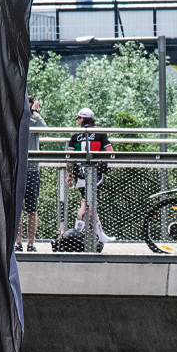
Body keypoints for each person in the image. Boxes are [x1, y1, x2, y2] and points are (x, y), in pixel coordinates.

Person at [65, 107, 116, 250]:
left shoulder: (75, 135)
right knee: (86, 205)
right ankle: (75, 234)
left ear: (82, 119)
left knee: (91, 205)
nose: (78, 121)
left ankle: (100, 236)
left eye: (78, 118)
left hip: (80, 175)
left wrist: (69, 174)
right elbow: (109, 151)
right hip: (95, 173)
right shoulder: (99, 132)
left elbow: (70, 158)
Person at [17, 95, 46, 253]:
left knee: (31, 209)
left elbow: (44, 128)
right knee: (17, 208)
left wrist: (35, 112)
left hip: (32, 170)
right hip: (18, 170)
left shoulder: (34, 123)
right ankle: (17, 241)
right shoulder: (16, 122)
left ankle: (31, 242)